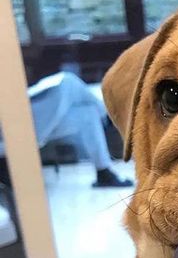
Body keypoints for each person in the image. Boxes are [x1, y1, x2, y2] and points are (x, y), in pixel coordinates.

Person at [0, 71, 132, 188]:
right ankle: (110, 116)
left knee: (87, 114)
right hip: (14, 128)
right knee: (67, 81)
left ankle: (103, 172)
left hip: (19, 121)